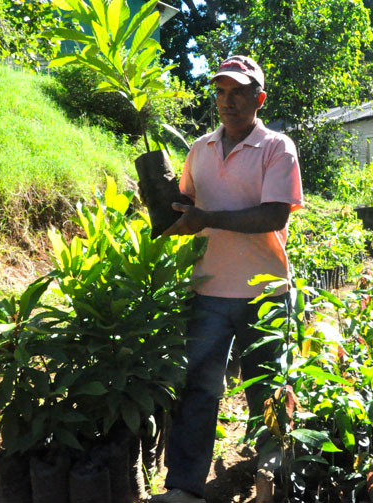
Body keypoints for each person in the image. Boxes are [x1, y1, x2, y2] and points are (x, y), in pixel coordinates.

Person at [149, 55, 303, 503]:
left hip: (265, 290)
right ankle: (184, 487)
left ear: (259, 97)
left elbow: (274, 214)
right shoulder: (199, 149)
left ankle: (275, 477)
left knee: (268, 389)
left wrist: (205, 219)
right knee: (198, 388)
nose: (228, 101)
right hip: (208, 290)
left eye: (238, 92)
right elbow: (186, 208)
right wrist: (159, 208)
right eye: (220, 91)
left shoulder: (278, 147)